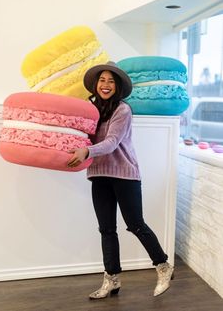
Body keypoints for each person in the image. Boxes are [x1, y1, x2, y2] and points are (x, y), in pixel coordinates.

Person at [67, 61, 174, 299]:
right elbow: (79, 134)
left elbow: (111, 143)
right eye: (102, 80)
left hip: (125, 175)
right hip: (99, 174)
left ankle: (164, 266)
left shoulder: (123, 110)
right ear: (96, 84)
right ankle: (112, 279)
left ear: (118, 86)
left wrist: (87, 151)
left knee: (135, 224)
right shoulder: (90, 108)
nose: (106, 85)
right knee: (106, 229)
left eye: (111, 81)